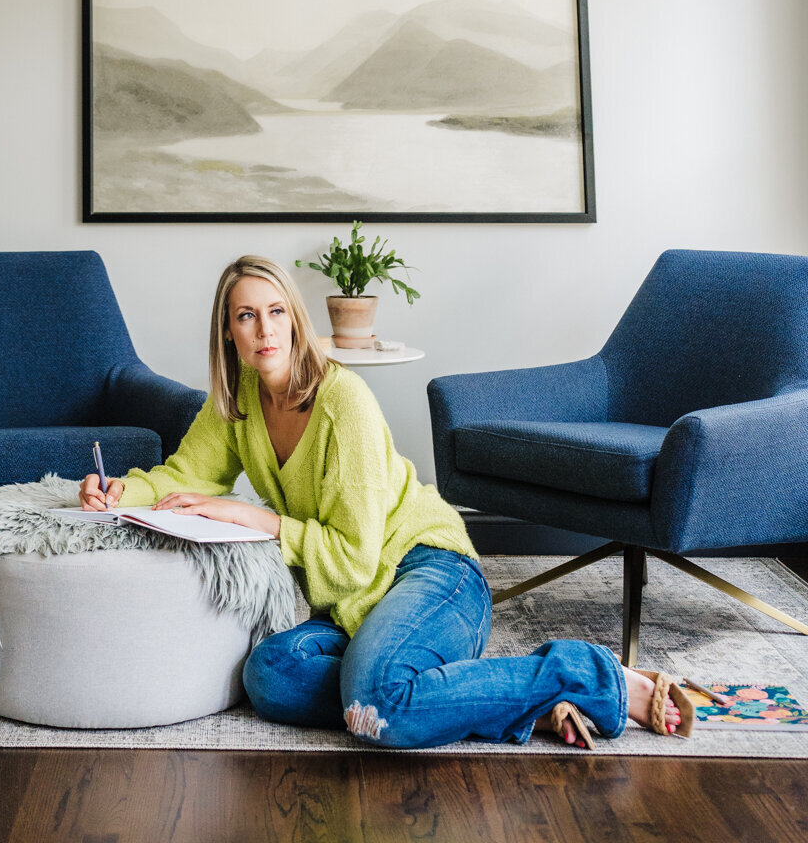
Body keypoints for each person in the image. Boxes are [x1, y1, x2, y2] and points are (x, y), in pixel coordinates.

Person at [81, 253, 690, 750]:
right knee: (270, 676)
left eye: (275, 312)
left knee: (379, 705)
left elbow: (349, 559)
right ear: (228, 331)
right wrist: (120, 491)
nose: (264, 329)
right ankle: (512, 700)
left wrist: (261, 520)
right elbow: (188, 472)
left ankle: (586, 675)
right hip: (360, 604)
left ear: (295, 319)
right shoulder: (239, 399)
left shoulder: (343, 401)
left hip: (431, 572)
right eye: (246, 316)